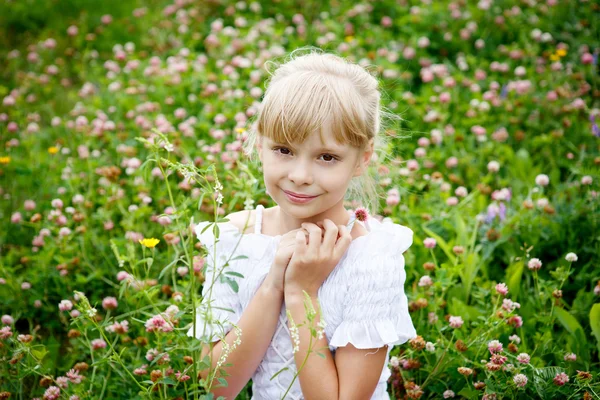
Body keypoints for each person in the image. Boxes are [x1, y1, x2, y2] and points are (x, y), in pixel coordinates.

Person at [187, 49, 417, 400]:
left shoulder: (371, 257)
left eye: (327, 157)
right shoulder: (235, 238)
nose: (300, 176)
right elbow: (213, 389)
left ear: (362, 159)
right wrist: (273, 285)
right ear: (259, 144)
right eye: (284, 150)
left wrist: (302, 293)